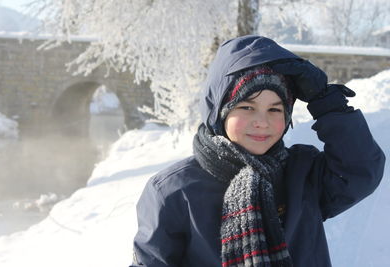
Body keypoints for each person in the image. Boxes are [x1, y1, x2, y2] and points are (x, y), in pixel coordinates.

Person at [130, 35, 385, 267]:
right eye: (247, 107)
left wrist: (327, 103)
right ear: (220, 111)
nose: (261, 121)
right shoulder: (174, 191)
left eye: (275, 109)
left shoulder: (303, 174)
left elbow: (360, 171)